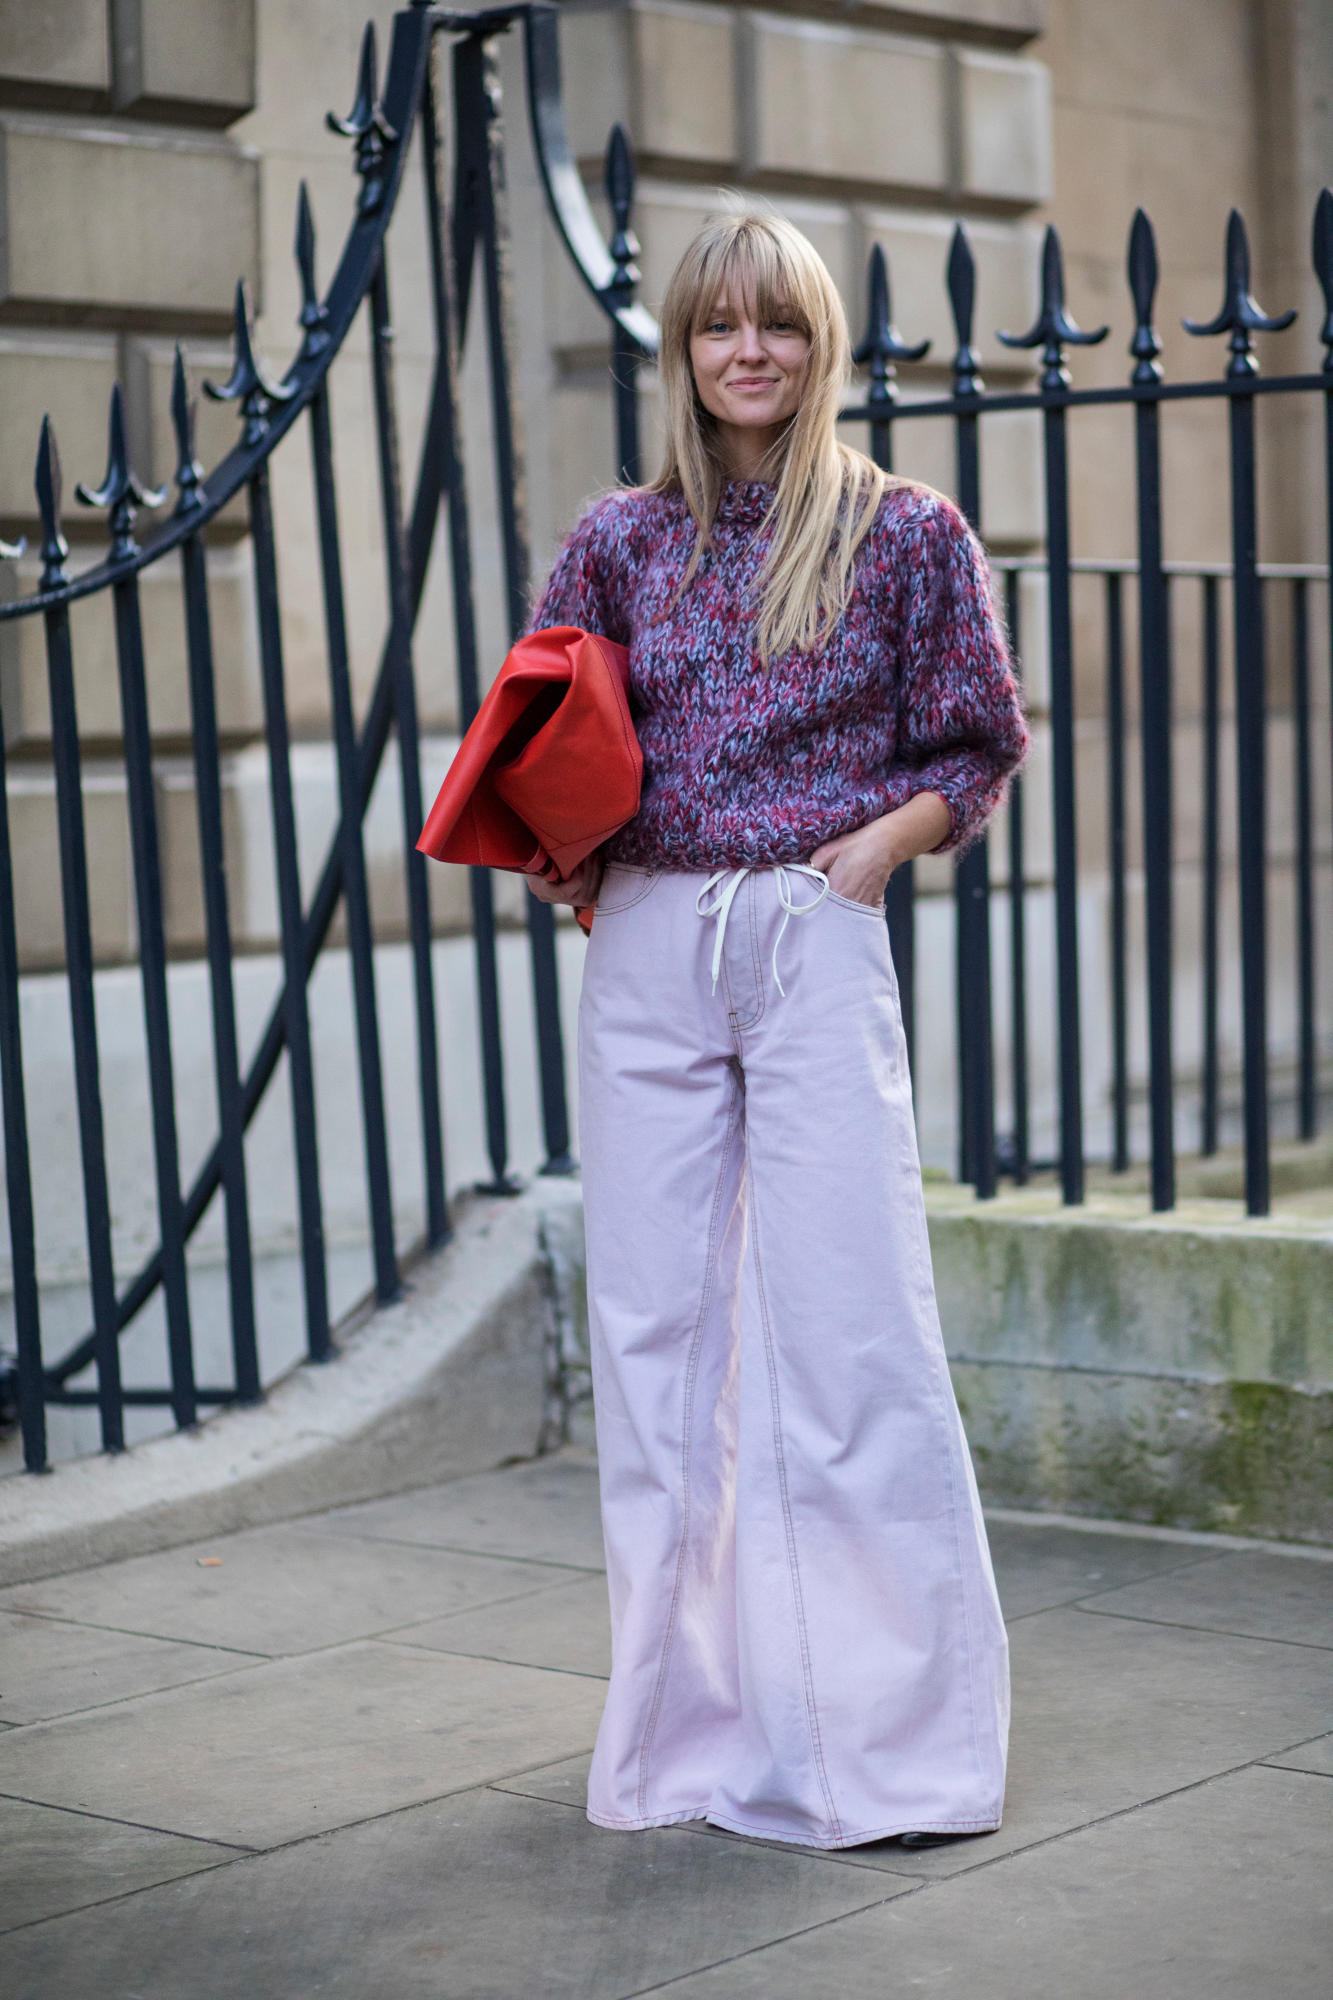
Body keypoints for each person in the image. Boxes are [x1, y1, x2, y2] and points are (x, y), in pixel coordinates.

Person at [526, 210, 1029, 1851]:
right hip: (650, 940)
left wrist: (869, 856)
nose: (749, 352)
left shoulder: (904, 531)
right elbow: (554, 726)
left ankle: (886, 1750)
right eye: (718, 326)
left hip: (811, 930)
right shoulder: (618, 541)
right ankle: (674, 1743)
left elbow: (977, 745)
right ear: (681, 349)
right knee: (657, 1347)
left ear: (819, 342)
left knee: (848, 1334)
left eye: (779, 324)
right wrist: (562, 848)